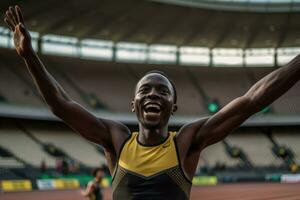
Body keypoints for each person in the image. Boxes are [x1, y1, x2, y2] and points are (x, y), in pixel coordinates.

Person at [4, 5, 300, 200]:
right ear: (134, 104)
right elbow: (60, 104)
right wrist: (30, 56)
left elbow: (251, 100)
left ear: (174, 107)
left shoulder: (186, 143)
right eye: (145, 90)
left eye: (162, 91)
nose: (153, 94)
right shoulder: (116, 140)